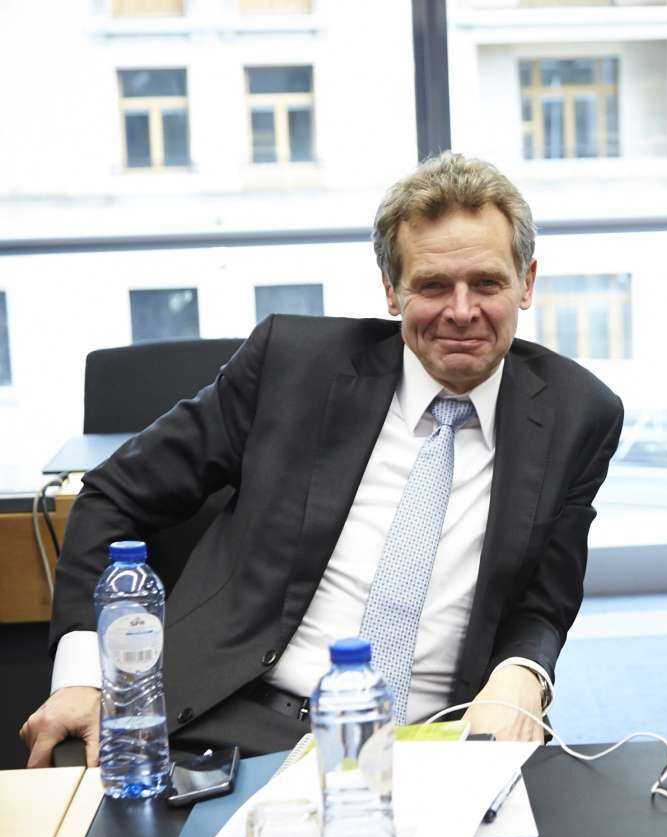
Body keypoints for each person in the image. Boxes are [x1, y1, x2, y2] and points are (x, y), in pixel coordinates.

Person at [20, 152, 624, 765]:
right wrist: (83, 677)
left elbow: (543, 601)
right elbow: (115, 495)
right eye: (433, 285)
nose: (462, 311)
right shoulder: (291, 364)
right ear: (391, 290)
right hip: (232, 725)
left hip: (433, 745)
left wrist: (523, 671)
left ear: (527, 282)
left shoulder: (579, 414)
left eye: (488, 284)